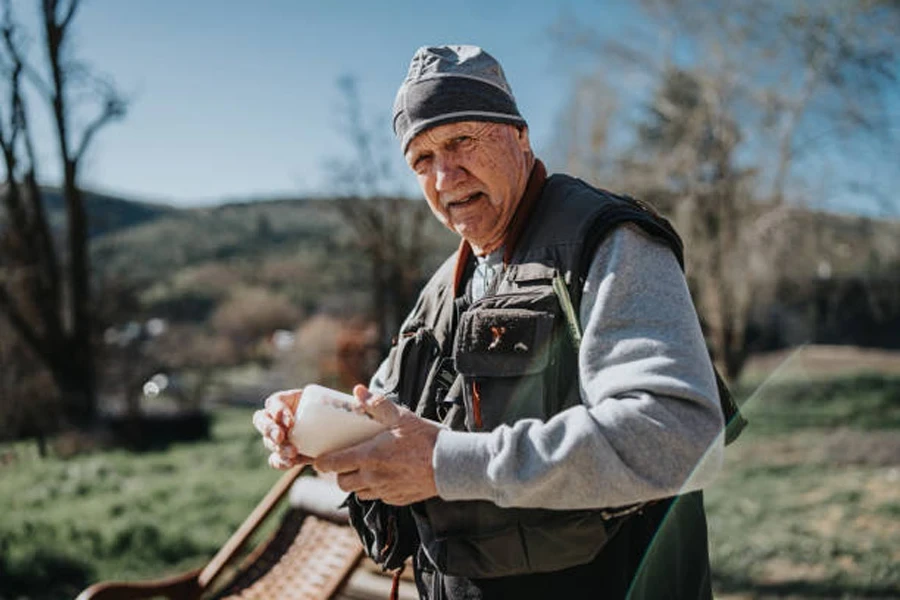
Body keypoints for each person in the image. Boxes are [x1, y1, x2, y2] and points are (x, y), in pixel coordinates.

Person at [254, 44, 727, 599]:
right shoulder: (441, 288)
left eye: (461, 141)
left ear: (520, 137)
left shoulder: (610, 244)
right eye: (421, 160)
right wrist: (319, 425)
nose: (445, 175)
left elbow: (677, 437)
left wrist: (446, 464)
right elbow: (394, 428)